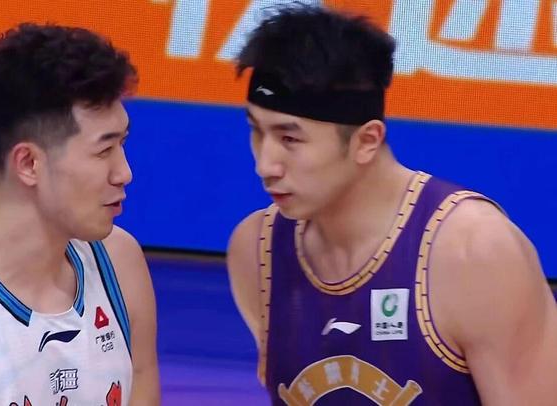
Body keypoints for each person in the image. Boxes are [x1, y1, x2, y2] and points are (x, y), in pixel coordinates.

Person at [226, 5, 557, 405]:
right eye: (256, 132)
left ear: (367, 141)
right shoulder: (257, 250)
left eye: (290, 139)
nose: (265, 165)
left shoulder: (473, 252)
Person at [0, 23, 159, 405]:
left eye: (123, 144)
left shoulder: (120, 266)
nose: (124, 173)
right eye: (104, 151)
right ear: (29, 163)